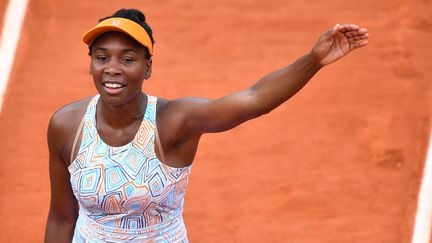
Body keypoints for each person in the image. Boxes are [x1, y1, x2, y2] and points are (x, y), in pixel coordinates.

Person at [44, 8, 369, 243]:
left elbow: (254, 99)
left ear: (148, 68)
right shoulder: (67, 125)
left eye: (127, 59)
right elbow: (61, 217)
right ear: (91, 64)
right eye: (102, 58)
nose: (112, 69)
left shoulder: (173, 122)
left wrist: (312, 61)